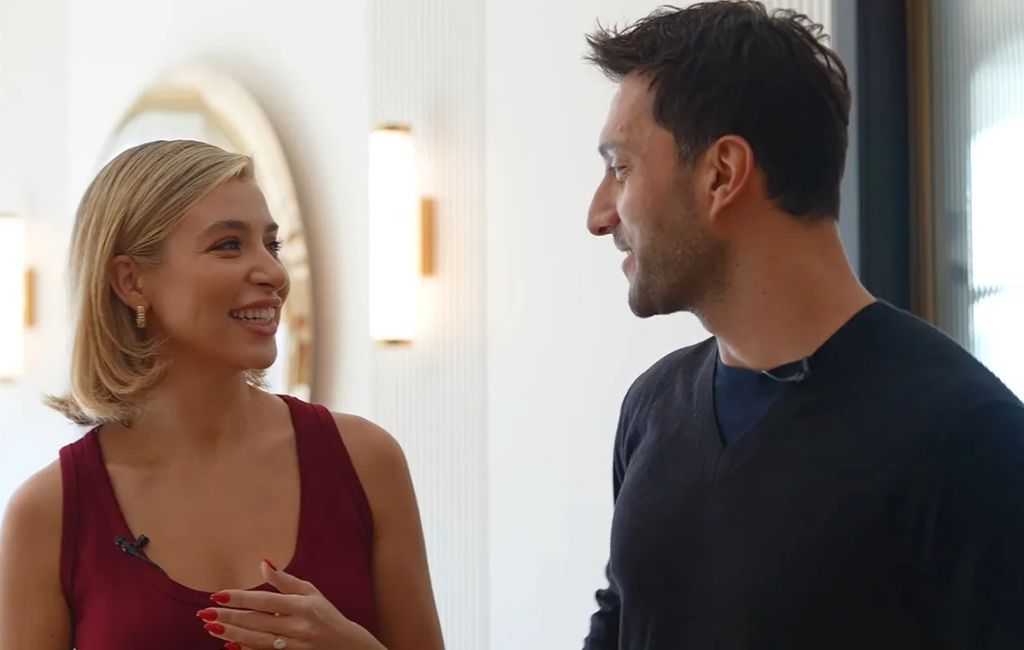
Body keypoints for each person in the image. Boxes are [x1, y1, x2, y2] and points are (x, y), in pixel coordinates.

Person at [581, 2, 1024, 648]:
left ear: (722, 173)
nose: (598, 216)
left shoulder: (971, 441)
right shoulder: (651, 409)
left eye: (620, 168)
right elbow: (621, 622)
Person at [0, 140, 445, 650]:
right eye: (229, 245)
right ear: (131, 280)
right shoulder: (49, 513)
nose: (274, 274)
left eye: (271, 245)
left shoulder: (365, 461)